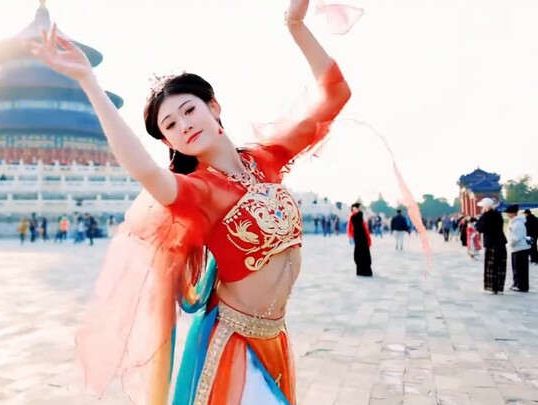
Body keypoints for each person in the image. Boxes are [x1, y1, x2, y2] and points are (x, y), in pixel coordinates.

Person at [31, 0, 354, 402]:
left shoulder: (267, 158)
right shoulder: (199, 192)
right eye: (171, 125)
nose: (184, 124)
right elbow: (148, 174)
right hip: (235, 346)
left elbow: (336, 92)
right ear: (168, 141)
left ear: (213, 107)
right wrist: (89, 84)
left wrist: (294, 23)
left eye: (189, 110)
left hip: (276, 338)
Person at [475, 197, 507, 294]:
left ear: (486, 206)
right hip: (501, 242)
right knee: (501, 265)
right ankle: (500, 287)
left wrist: (483, 214)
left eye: (483, 206)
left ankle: (491, 287)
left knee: (491, 266)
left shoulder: (487, 216)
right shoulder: (498, 214)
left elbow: (479, 227)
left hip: (492, 243)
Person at [505, 204, 530, 292]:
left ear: (513, 213)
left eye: (508, 212)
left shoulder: (518, 223)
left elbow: (517, 237)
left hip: (520, 247)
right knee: (516, 268)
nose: (507, 214)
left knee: (520, 268)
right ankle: (516, 283)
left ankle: (521, 285)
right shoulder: (513, 222)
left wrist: (510, 244)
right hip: (516, 248)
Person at [347, 203, 372, 276]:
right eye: (359, 207)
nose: (361, 209)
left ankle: (364, 271)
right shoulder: (354, 217)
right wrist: (357, 211)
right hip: (360, 237)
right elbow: (358, 218)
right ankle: (363, 271)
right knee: (361, 255)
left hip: (361, 237)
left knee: (363, 255)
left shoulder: (356, 216)